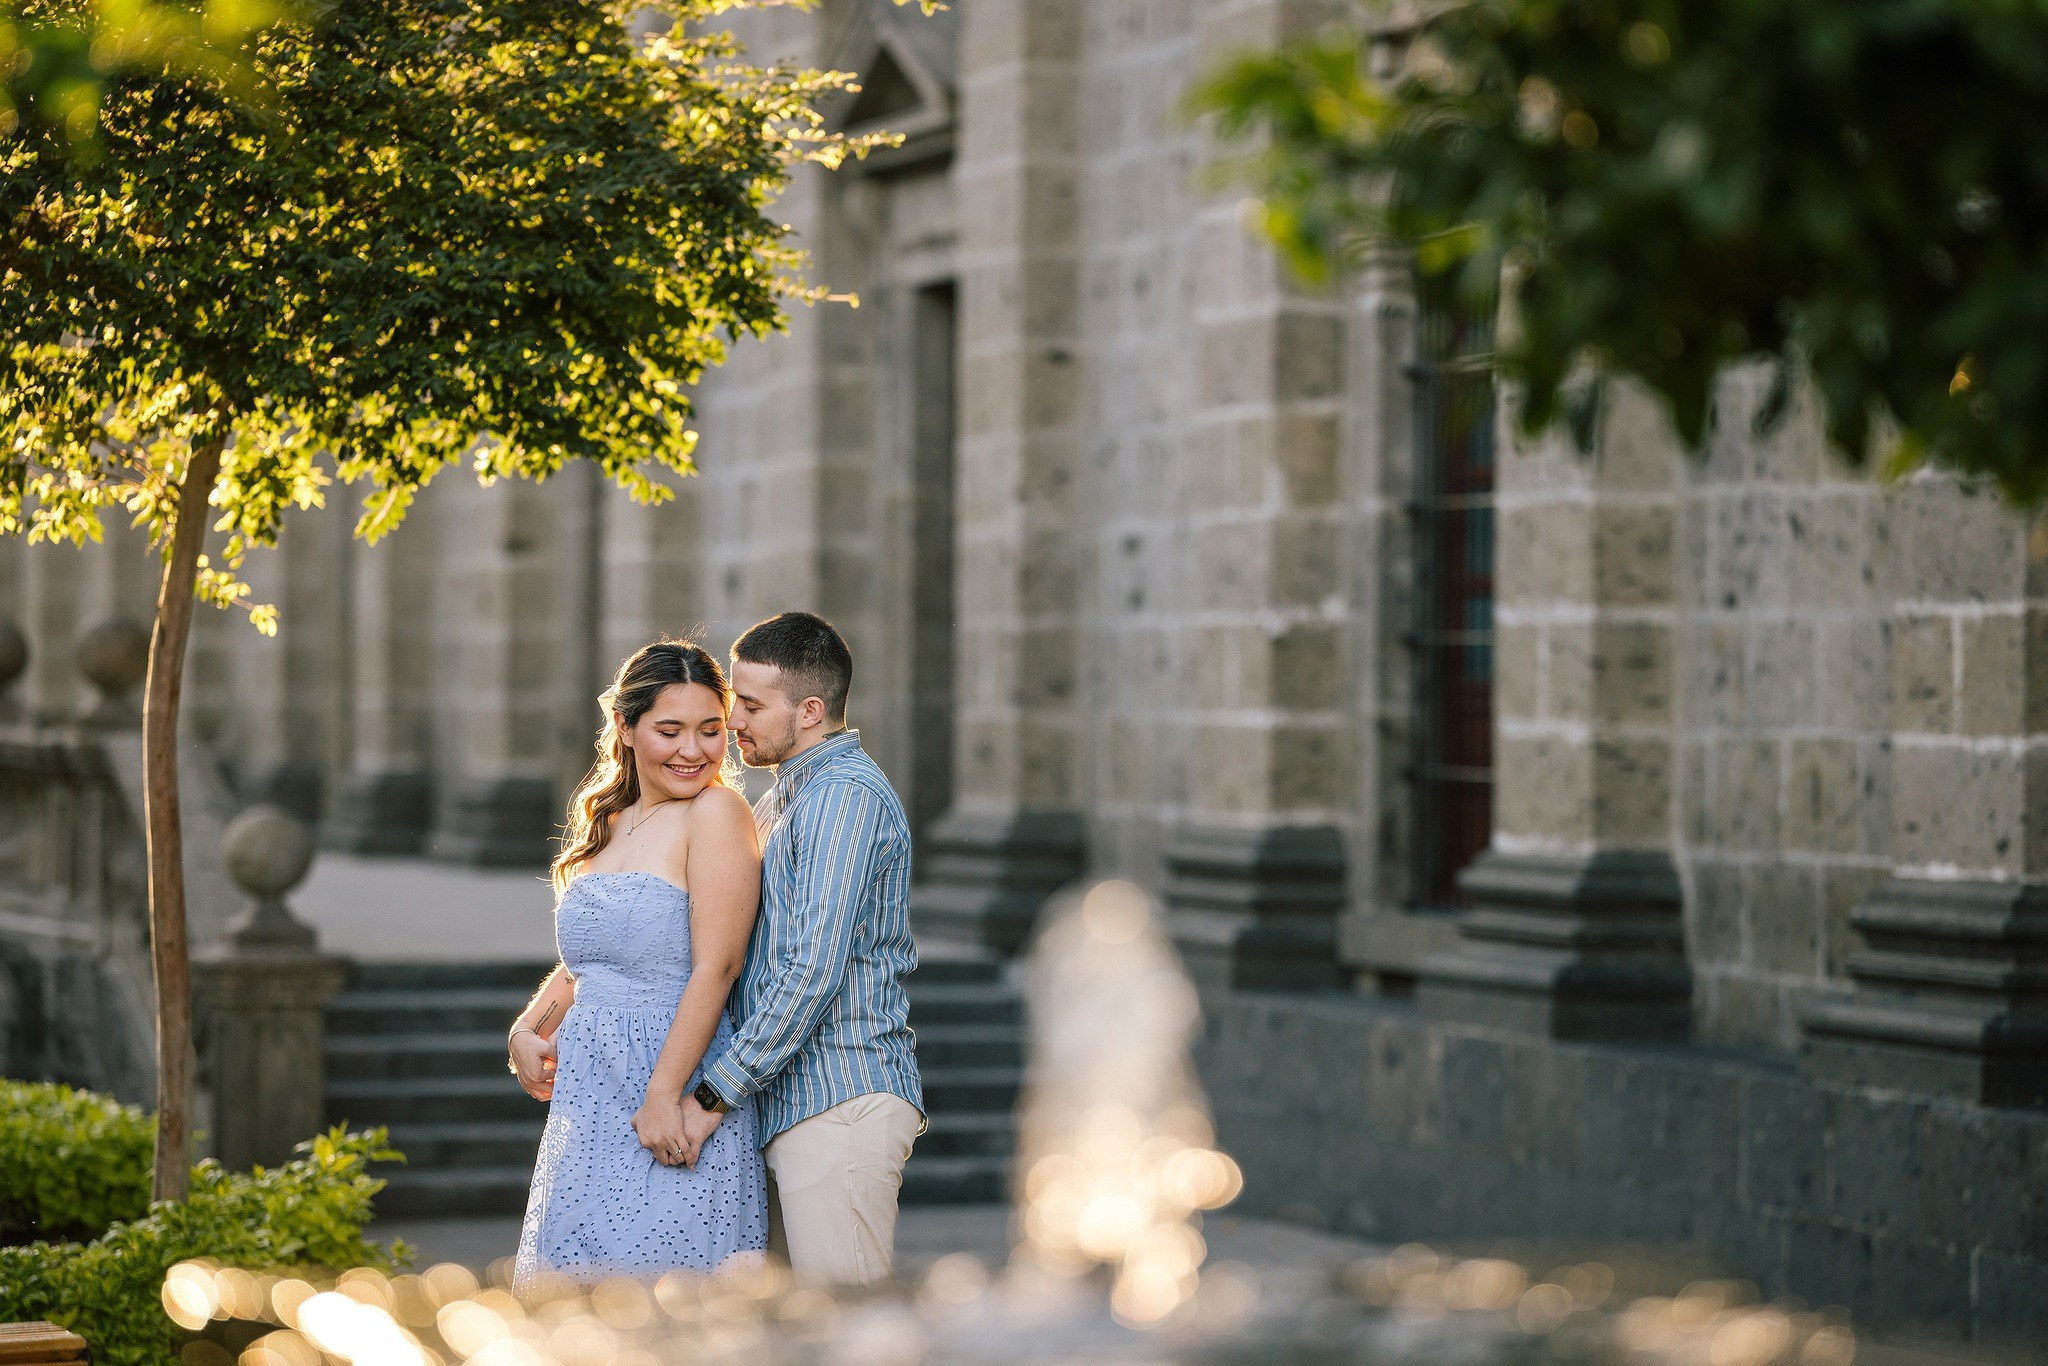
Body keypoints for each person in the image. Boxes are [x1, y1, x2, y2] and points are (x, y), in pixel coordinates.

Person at [676, 611, 926, 1287]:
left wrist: (710, 1096)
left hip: (839, 1105)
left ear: (811, 710)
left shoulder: (842, 798)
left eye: (752, 706)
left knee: (847, 1340)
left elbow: (811, 972)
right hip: (795, 1103)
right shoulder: (791, 794)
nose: (735, 724)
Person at [508, 640, 768, 1284]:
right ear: (625, 728)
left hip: (671, 1082)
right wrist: (530, 1025)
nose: (694, 750)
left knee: (666, 1300)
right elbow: (591, 960)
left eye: (712, 730)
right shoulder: (608, 818)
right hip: (589, 1096)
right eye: (669, 730)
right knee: (576, 1304)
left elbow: (719, 967)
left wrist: (663, 1096)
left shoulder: (716, 812)